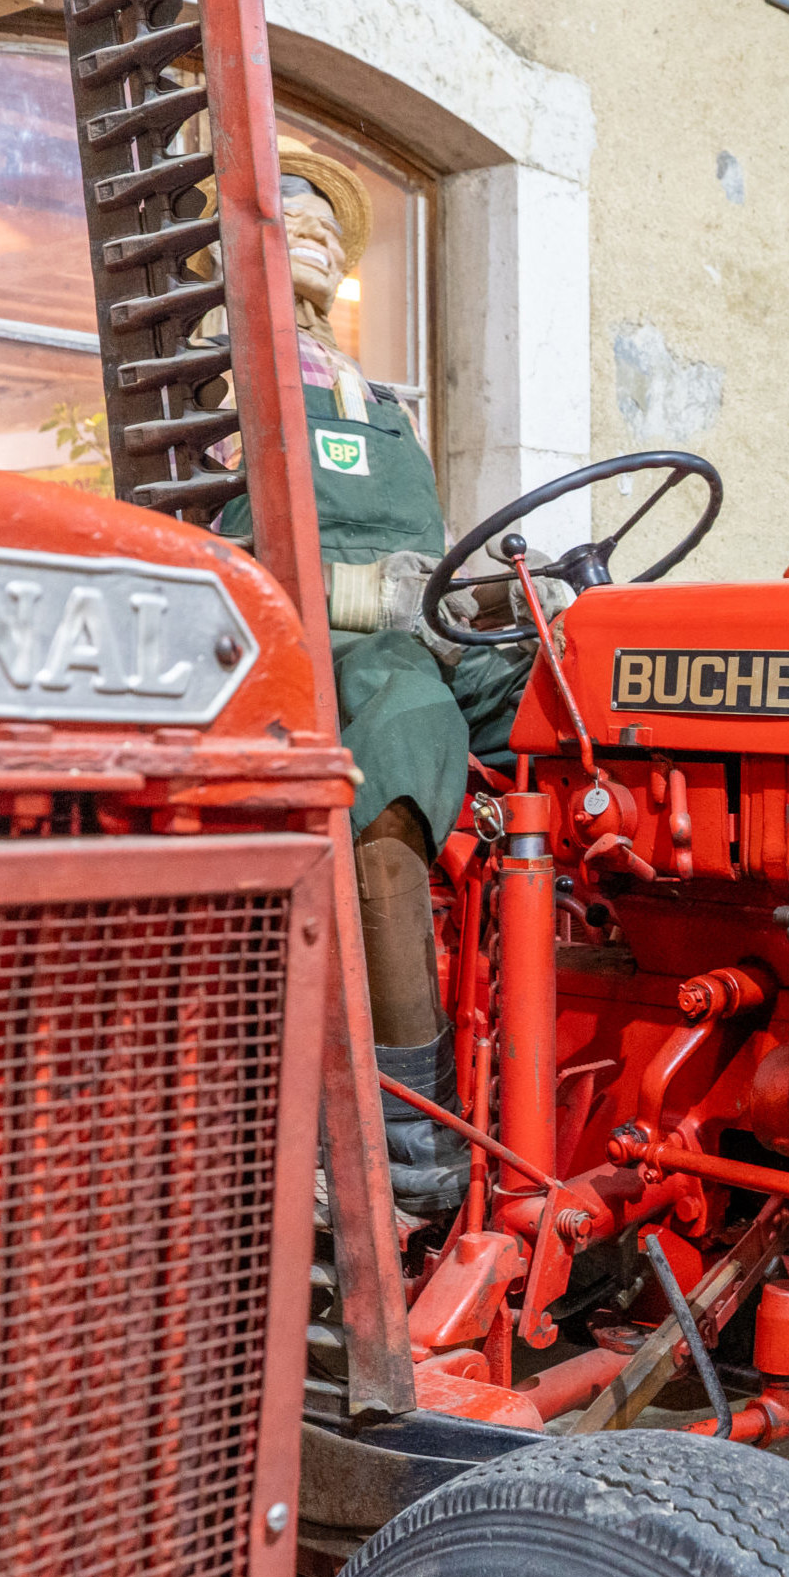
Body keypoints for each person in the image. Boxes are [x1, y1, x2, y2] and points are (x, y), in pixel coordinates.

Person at [217, 138, 536, 1214]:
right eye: (288, 211)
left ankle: (573, 997)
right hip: (295, 647)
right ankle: (410, 1131)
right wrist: (370, 598)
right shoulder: (222, 373)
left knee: (576, 700)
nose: (308, 228)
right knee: (399, 723)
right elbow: (215, 546)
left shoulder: (368, 393)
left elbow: (425, 554)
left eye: (324, 223)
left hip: (411, 631)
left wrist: (486, 605)